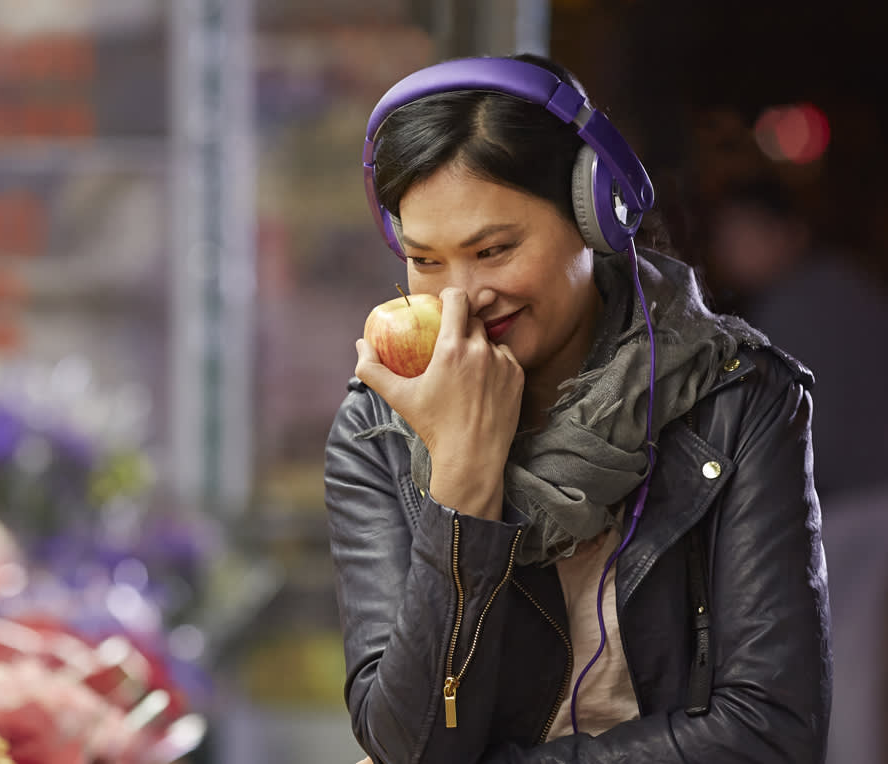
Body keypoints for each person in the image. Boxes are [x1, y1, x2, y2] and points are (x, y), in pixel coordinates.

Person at [324, 53, 831, 763]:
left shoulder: (739, 398)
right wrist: (464, 484)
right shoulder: (376, 426)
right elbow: (408, 744)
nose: (461, 299)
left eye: (494, 249)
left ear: (597, 217)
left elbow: (770, 733)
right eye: (426, 261)